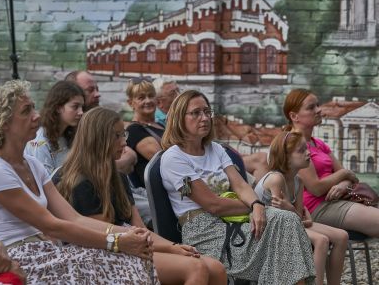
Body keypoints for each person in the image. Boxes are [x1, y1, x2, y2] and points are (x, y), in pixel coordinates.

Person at [0, 80, 158, 284]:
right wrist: (117, 241)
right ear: (4, 123)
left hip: (45, 250)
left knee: (134, 262)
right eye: (26, 111)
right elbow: (52, 225)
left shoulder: (32, 164)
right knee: (125, 263)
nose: (37, 115)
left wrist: (130, 233)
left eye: (34, 107)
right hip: (20, 256)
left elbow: (73, 218)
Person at [57, 106, 227, 285]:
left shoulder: (118, 177)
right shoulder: (82, 183)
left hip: (131, 246)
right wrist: (171, 249)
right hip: (101, 255)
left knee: (216, 268)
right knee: (195, 268)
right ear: (98, 139)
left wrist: (173, 247)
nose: (124, 142)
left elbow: (140, 229)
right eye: (117, 136)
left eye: (124, 134)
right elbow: (103, 239)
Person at [160, 89, 316, 284]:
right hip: (204, 232)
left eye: (207, 112)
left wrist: (257, 205)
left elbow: (240, 185)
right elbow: (212, 205)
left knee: (287, 219)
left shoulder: (215, 149)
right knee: (282, 223)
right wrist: (254, 206)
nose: (205, 118)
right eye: (196, 113)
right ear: (178, 118)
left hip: (234, 221)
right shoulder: (173, 158)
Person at [255, 131, 348, 285]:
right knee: (321, 240)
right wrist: (296, 213)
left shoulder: (298, 180)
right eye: (301, 150)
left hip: (290, 223)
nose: (308, 153)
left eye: (307, 148)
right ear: (285, 157)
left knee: (342, 236)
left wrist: (294, 212)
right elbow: (285, 220)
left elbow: (297, 217)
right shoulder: (276, 179)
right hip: (269, 229)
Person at [284, 88, 379, 237]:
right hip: (316, 207)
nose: (318, 110)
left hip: (336, 200)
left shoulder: (318, 143)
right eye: (311, 107)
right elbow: (315, 187)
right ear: (294, 116)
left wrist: (342, 184)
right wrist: (344, 173)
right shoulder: (293, 144)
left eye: (317, 105)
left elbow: (350, 178)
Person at [65, 70, 137, 175]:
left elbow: (131, 155)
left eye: (97, 89)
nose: (97, 94)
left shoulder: (99, 123)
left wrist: (109, 166)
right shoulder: (66, 131)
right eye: (90, 90)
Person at [24, 81, 84, 175]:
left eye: (81, 107)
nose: (81, 112)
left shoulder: (68, 135)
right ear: (58, 107)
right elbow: (44, 181)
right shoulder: (40, 139)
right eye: (75, 107)